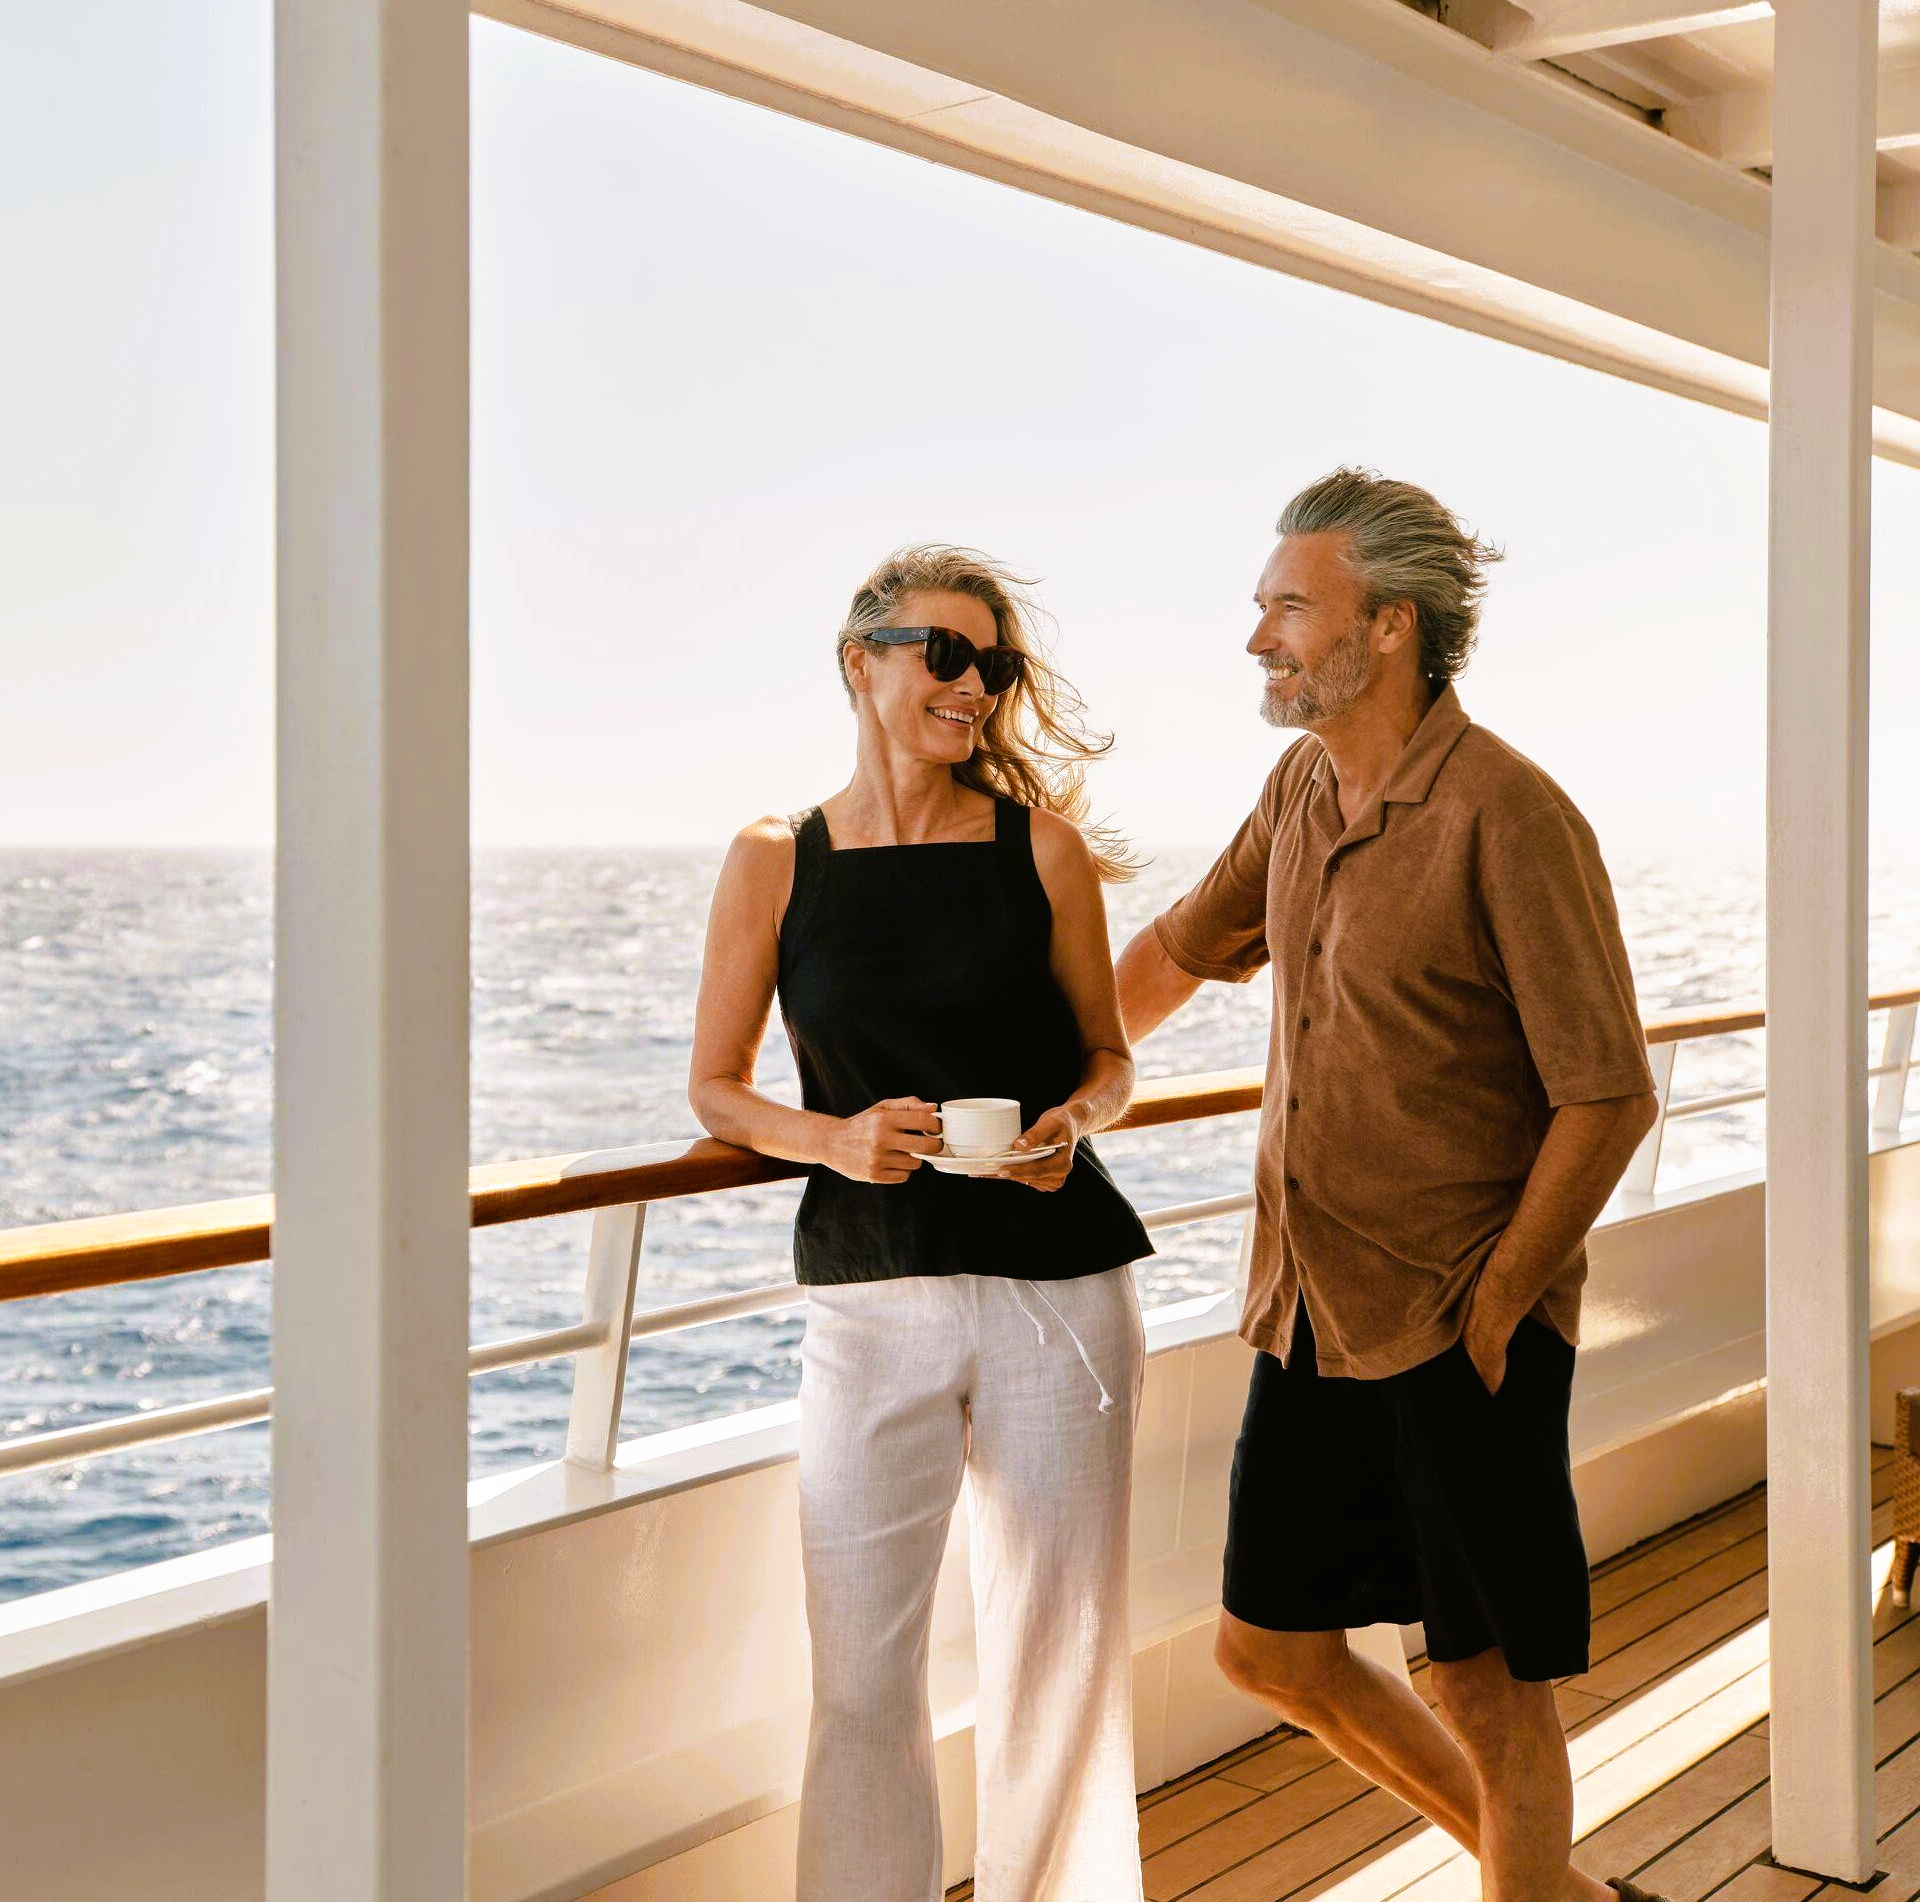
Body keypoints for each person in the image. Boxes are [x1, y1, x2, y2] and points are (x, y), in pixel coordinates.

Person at [1114, 469, 1663, 1902]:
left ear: (1390, 627)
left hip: (1455, 1316)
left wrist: (1494, 1307)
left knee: (1488, 1683)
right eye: (1263, 609)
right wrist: (1060, 1083)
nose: (1259, 639)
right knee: (1269, 1647)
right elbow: (1177, 949)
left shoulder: (1508, 814)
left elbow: (1607, 1091)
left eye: (1288, 608)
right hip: (1310, 1305)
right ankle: (1553, 1887)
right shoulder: (1301, 786)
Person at [689, 545, 1153, 1902]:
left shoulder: (1041, 851)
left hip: (1057, 1290)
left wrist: (1076, 1124)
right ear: (861, 660)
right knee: (860, 1672)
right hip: (867, 1300)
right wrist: (831, 1138)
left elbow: (1109, 1059)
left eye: (991, 665)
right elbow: (715, 1089)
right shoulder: (776, 859)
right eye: (945, 654)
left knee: (1059, 1652)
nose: (972, 686)